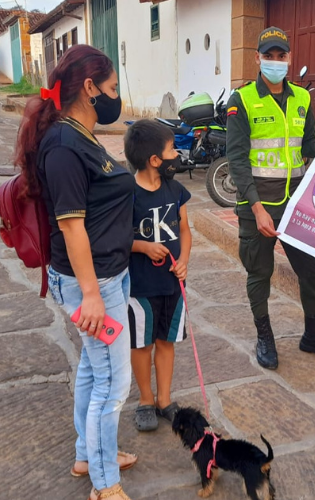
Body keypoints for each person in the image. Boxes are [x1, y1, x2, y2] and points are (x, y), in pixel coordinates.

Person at [14, 45, 137, 500]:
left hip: (108, 274)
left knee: (93, 367)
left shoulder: (81, 136)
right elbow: (70, 224)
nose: (115, 96)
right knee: (113, 382)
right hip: (93, 283)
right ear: (89, 88)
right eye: (111, 88)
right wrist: (90, 294)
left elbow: (99, 210)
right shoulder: (64, 146)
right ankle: (105, 484)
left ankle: (89, 455)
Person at [227, 27, 315, 370]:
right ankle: (265, 337)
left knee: (311, 272)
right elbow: (237, 159)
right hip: (259, 206)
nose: (276, 62)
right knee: (259, 274)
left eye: (282, 56)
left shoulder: (302, 98)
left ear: (289, 59)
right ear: (258, 58)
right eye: (269, 56)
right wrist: (256, 206)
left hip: (297, 204)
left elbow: (306, 143)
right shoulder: (242, 101)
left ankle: (313, 334)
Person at [123, 119, 192, 432]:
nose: (176, 154)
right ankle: (146, 400)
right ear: (154, 160)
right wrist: (142, 247)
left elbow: (185, 230)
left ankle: (165, 400)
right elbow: (115, 237)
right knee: (142, 345)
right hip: (140, 287)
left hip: (173, 284)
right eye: (171, 149)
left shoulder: (175, 190)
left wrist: (185, 260)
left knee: (167, 341)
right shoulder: (126, 194)